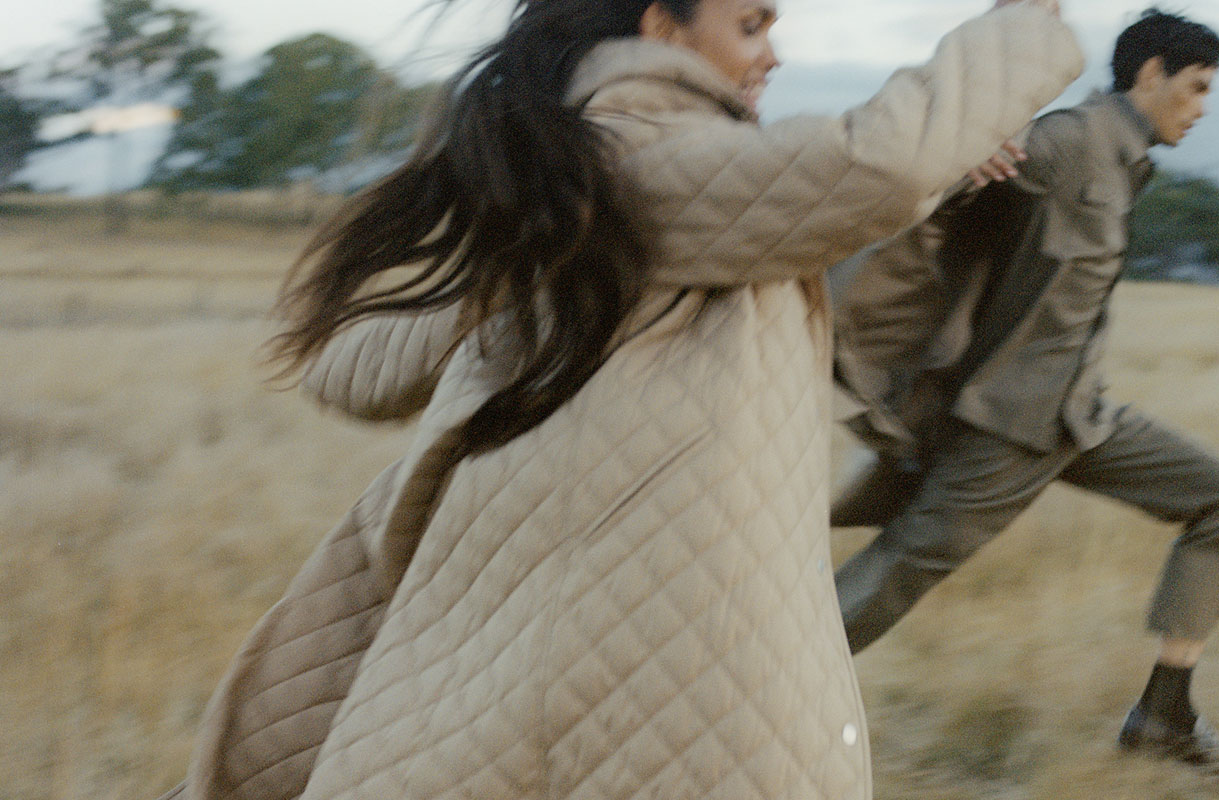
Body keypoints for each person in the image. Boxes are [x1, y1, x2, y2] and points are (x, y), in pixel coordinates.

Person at [158, 2, 1083, 798]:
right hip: (654, 663)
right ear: (658, 26)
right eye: (751, 22)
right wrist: (1022, 22)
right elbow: (873, 166)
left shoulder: (599, 186)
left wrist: (524, 256)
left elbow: (356, 372)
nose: (773, 51)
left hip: (562, 651)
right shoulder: (643, 161)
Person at [830, 7, 1219, 779]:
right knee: (896, 570)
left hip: (1079, 419)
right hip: (1007, 425)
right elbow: (917, 188)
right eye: (1195, 88)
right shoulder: (1067, 142)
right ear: (1150, 72)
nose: (1201, 109)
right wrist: (973, 152)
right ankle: (733, 691)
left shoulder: (1127, 159)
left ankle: (1163, 714)